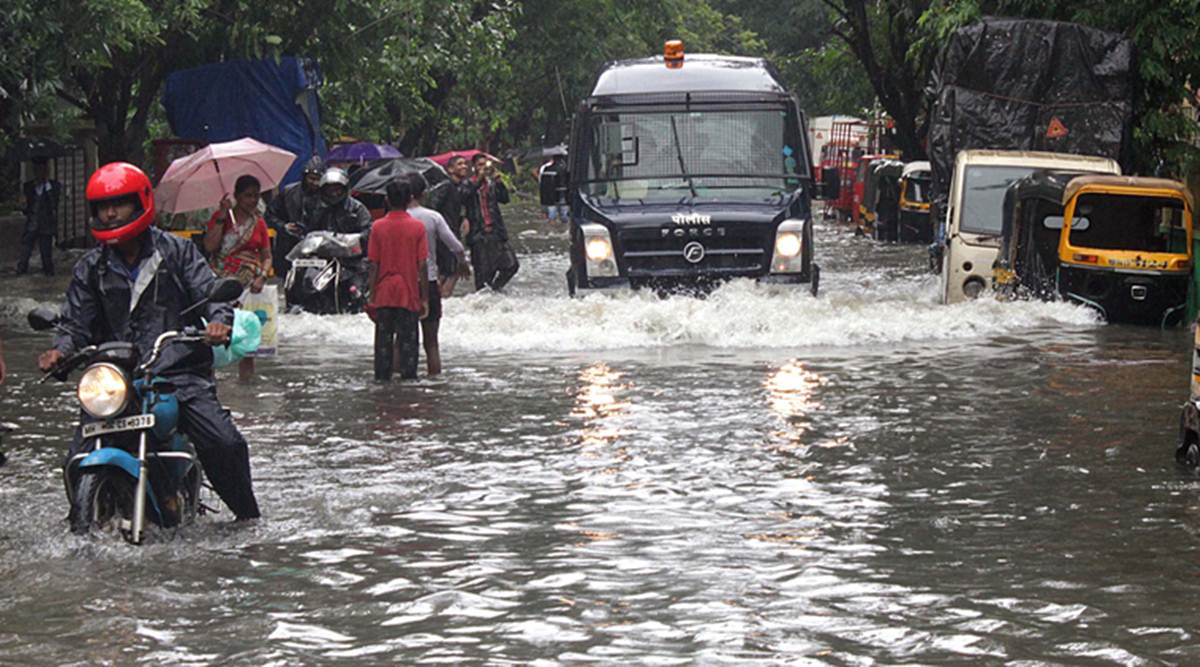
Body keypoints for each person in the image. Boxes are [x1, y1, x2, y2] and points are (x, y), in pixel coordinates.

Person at [37, 162, 260, 521]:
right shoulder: (90, 268)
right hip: (115, 381)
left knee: (225, 442)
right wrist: (59, 351)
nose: (110, 214)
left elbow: (210, 292)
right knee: (74, 459)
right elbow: (75, 324)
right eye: (103, 207)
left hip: (177, 373)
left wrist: (219, 322)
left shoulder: (178, 252)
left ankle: (247, 520)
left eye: (119, 204)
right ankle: (83, 520)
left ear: (140, 202)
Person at [203, 174, 272, 382]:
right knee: (214, 334)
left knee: (247, 340)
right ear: (237, 196)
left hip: (248, 287)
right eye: (248, 195)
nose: (252, 200)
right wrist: (222, 215)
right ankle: (210, 382)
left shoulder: (258, 223)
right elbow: (210, 246)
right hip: (220, 285)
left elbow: (267, 256)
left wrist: (262, 276)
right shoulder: (222, 218)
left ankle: (246, 385)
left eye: (256, 196)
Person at [405, 172, 469, 376]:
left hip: (403, 284)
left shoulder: (392, 219)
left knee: (401, 340)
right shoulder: (432, 217)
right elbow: (456, 246)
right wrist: (462, 263)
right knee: (431, 342)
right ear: (423, 193)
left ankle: (397, 384)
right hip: (429, 281)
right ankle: (435, 383)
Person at [366, 177, 428, 381]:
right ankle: (408, 389)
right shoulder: (417, 227)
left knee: (382, 346)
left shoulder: (377, 227)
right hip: (408, 294)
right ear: (409, 199)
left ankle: (382, 386)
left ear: (387, 200)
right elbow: (422, 265)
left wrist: (371, 296)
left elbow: (373, 264)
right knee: (409, 346)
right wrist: (424, 298)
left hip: (384, 293)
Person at [464, 154, 519, 291]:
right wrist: (479, 180)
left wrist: (499, 182)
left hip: (496, 231)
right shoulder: (468, 184)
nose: (483, 168)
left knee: (511, 265)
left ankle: (495, 290)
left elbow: (504, 199)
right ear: (474, 167)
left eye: (485, 164)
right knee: (483, 275)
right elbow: (465, 196)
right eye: (480, 165)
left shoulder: (491, 184)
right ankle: (484, 297)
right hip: (478, 234)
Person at [265, 155, 324, 275]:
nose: (314, 183)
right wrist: (284, 226)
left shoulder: (327, 196)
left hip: (316, 247)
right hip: (288, 247)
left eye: (318, 179)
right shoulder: (288, 192)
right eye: (311, 178)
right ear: (305, 177)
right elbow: (269, 215)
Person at [426, 155, 471, 295]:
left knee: (450, 271)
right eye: (460, 164)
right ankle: (441, 299)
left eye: (465, 163)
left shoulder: (458, 187)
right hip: (444, 236)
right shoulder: (446, 186)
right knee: (450, 272)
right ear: (450, 169)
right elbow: (433, 207)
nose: (464, 166)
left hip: (451, 233)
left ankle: (440, 299)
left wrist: (463, 218)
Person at [17, 158, 62, 276]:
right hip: (32, 222)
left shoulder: (54, 186)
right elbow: (26, 206)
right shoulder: (28, 186)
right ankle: (21, 269)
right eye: (37, 170)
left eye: (42, 170)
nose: (39, 173)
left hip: (46, 224)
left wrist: (47, 187)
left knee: (46, 251)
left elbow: (54, 204)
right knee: (26, 248)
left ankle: (48, 271)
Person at [308, 167, 372, 235]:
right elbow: (308, 230)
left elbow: (368, 230)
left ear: (345, 189)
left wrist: (353, 238)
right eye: (330, 190)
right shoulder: (317, 208)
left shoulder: (357, 208)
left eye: (337, 189)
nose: (334, 194)